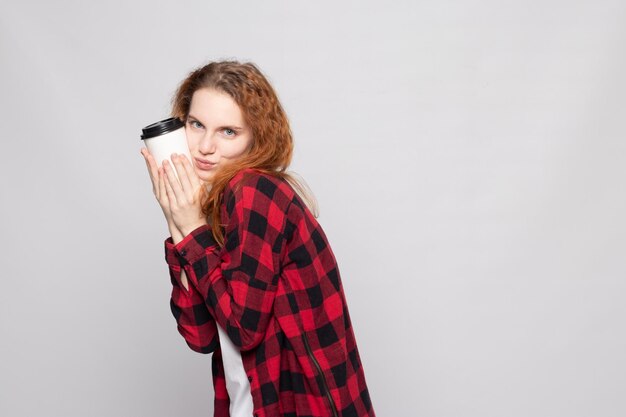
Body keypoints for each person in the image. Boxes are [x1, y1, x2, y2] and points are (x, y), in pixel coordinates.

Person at [140, 60, 375, 417]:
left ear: (256, 138)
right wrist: (178, 218)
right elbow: (200, 335)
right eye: (196, 124)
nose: (205, 146)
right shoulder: (214, 209)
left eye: (228, 132)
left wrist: (192, 231)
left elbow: (243, 329)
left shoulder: (254, 193)